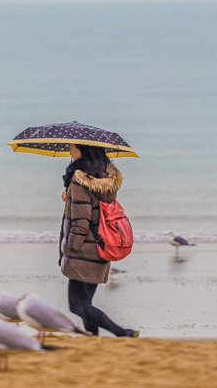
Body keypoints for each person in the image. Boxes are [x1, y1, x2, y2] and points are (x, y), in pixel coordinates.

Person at [59, 143, 138, 337]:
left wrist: (71, 247)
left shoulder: (79, 182)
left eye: (72, 147)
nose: (70, 151)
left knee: (76, 306)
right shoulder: (104, 179)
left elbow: (80, 222)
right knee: (86, 304)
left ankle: (121, 332)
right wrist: (70, 198)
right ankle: (92, 339)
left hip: (83, 249)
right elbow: (94, 209)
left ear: (83, 150)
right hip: (101, 247)